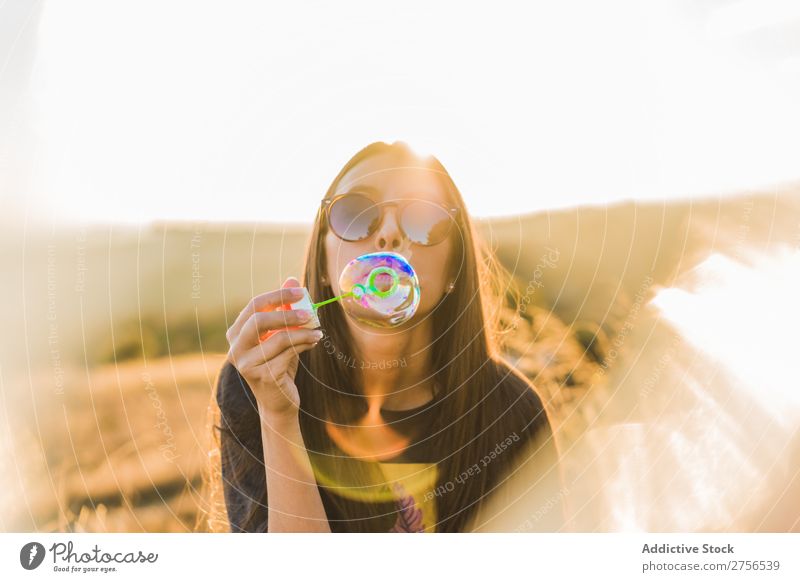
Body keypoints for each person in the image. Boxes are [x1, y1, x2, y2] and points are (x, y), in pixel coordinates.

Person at [214, 141, 558, 532]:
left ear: (453, 271)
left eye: (424, 219)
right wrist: (277, 414)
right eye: (355, 214)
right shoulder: (259, 388)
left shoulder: (512, 412)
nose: (390, 234)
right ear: (323, 261)